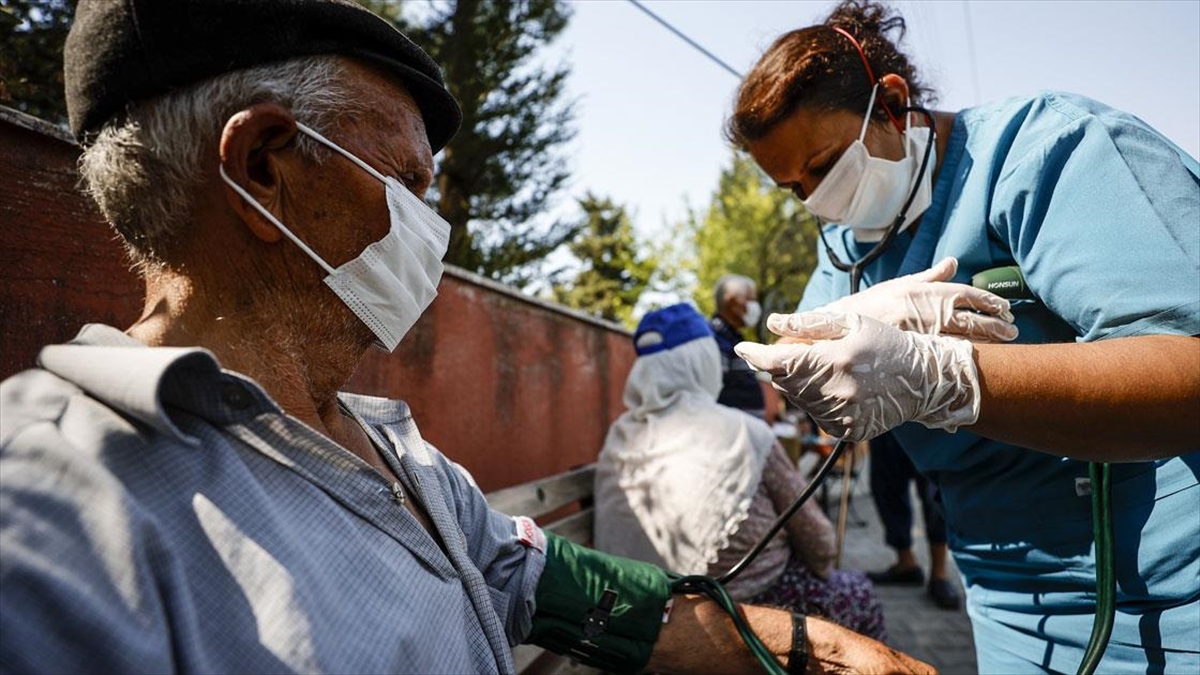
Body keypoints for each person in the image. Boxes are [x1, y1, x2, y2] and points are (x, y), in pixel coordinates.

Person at [0, 2, 941, 674]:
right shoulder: (50, 511)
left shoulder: (397, 450)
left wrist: (814, 649)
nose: (429, 224)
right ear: (263, 166)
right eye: (407, 180)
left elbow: (527, 575)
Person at [726, 1, 1200, 672]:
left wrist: (950, 377)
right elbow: (804, 354)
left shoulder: (1048, 152)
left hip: (1169, 585)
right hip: (1006, 599)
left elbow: (1187, 370)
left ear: (892, 105)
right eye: (792, 186)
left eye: (826, 165)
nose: (816, 199)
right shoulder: (845, 248)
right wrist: (865, 325)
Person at [595, 304, 886, 642]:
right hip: (739, 609)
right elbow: (820, 544)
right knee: (860, 594)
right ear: (703, 362)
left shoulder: (620, 435)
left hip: (640, 613)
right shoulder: (745, 433)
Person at [866, 432, 958, 611]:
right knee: (886, 489)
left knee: (935, 493)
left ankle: (939, 574)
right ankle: (906, 564)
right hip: (884, 421)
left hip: (930, 423)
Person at [711, 274, 769, 419]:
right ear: (731, 302)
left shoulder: (733, 337)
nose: (754, 306)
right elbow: (714, 385)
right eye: (749, 299)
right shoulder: (716, 336)